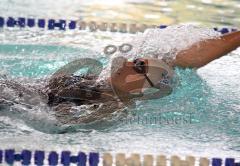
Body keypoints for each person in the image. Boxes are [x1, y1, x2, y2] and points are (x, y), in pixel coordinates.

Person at [0, 30, 239, 124]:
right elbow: (185, 58)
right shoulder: (108, 86)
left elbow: (55, 124)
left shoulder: (113, 107)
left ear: (139, 89)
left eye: (136, 67)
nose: (125, 63)